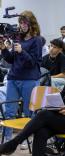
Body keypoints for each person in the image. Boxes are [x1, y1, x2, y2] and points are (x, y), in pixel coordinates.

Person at [0, 11, 43, 142]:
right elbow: (11, 60)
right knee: (9, 111)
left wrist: (22, 51)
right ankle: (8, 138)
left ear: (31, 24)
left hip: (29, 79)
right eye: (20, 23)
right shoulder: (18, 38)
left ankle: (26, 139)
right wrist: (4, 49)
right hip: (13, 78)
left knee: (28, 112)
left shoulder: (37, 40)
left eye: (24, 23)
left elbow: (33, 62)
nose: (22, 25)